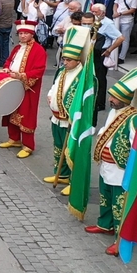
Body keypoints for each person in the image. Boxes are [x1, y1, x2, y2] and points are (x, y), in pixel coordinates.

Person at [84, 70, 137, 256]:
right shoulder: (114, 112)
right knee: (106, 197)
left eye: (114, 98)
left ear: (125, 99)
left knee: (120, 204)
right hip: (106, 165)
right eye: (111, 96)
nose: (110, 99)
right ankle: (105, 224)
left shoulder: (133, 117)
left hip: (121, 170)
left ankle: (120, 236)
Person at [42, 29, 88, 196]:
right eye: (64, 59)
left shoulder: (83, 77)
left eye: (68, 60)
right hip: (56, 117)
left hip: (70, 120)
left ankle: (73, 180)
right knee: (58, 146)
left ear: (77, 61)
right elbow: (55, 86)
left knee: (70, 150)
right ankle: (61, 174)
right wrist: (49, 96)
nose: (65, 62)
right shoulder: (63, 71)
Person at [0, 20, 47, 158]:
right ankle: (14, 139)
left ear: (32, 34)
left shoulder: (38, 50)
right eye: (20, 33)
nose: (22, 36)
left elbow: (39, 70)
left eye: (26, 33)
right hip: (12, 84)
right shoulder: (17, 48)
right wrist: (7, 68)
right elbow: (9, 60)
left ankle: (28, 146)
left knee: (26, 114)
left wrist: (21, 76)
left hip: (28, 87)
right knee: (11, 109)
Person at [91, 3, 125, 109]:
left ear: (102, 12)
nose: (93, 14)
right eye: (92, 11)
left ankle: (100, 103)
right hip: (92, 51)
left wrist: (109, 50)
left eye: (95, 12)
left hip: (101, 52)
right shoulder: (93, 21)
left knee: (100, 78)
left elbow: (120, 38)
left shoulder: (108, 23)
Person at [114, 0, 137, 64]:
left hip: (127, 20)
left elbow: (132, 9)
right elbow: (115, 4)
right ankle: (114, 55)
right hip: (117, 19)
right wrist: (115, 12)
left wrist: (120, 13)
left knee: (125, 39)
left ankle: (121, 57)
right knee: (115, 37)